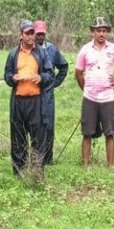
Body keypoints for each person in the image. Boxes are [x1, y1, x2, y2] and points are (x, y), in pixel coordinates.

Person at [75, 17, 114, 168]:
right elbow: (78, 73)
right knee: (87, 132)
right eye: (98, 30)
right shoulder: (85, 50)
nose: (101, 34)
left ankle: (110, 166)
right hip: (90, 97)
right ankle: (85, 166)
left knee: (109, 133)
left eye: (104, 31)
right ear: (93, 31)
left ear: (107, 33)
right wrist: (86, 88)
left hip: (108, 97)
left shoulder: (113, 49)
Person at [4, 20, 53, 176]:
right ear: (21, 35)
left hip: (36, 100)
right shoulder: (13, 54)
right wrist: (13, 78)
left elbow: (50, 74)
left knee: (38, 136)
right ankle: (19, 171)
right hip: (18, 100)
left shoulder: (41, 52)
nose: (31, 36)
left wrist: (41, 77)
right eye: (28, 33)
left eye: (32, 33)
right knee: (18, 136)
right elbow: (6, 75)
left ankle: (37, 169)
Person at [34, 20, 68, 164]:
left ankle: (48, 159)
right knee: (35, 125)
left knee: (48, 126)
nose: (40, 37)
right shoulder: (30, 50)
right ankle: (35, 158)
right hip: (33, 93)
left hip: (47, 94)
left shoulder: (52, 49)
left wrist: (55, 83)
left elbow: (63, 66)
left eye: (42, 34)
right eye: (38, 34)